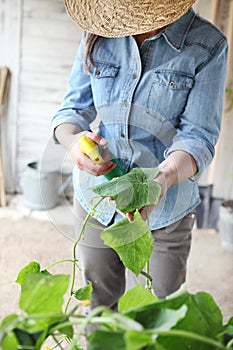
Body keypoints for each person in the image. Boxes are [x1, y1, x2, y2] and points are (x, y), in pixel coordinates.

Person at [51, 0, 228, 310]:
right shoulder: (101, 30)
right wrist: (73, 142)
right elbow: (72, 110)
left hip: (166, 208)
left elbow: (198, 137)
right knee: (99, 304)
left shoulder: (207, 44)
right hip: (97, 200)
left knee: (157, 310)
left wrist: (161, 180)